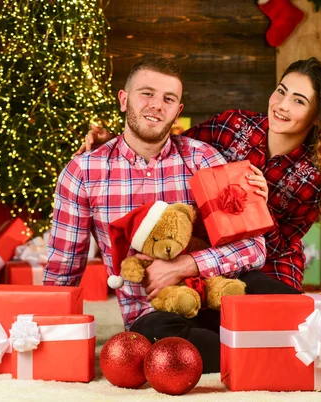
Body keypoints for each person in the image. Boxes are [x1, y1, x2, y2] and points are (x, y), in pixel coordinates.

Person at [79, 57, 321, 351]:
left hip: (267, 262)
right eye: (281, 91)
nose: (282, 105)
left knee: (261, 300)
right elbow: (174, 147)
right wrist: (117, 142)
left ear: (316, 115)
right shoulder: (234, 125)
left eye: (299, 101)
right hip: (205, 247)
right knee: (183, 321)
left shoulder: (313, 175)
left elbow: (268, 248)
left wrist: (257, 208)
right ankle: (251, 348)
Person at [44, 57, 301, 374]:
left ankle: (316, 335)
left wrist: (185, 264)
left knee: (280, 301)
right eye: (146, 94)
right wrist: (44, 334)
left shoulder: (204, 158)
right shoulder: (83, 172)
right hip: (153, 312)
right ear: (124, 100)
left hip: (219, 294)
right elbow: (63, 270)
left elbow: (254, 247)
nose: (156, 106)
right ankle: (263, 351)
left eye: (168, 99)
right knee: (158, 344)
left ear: (178, 111)